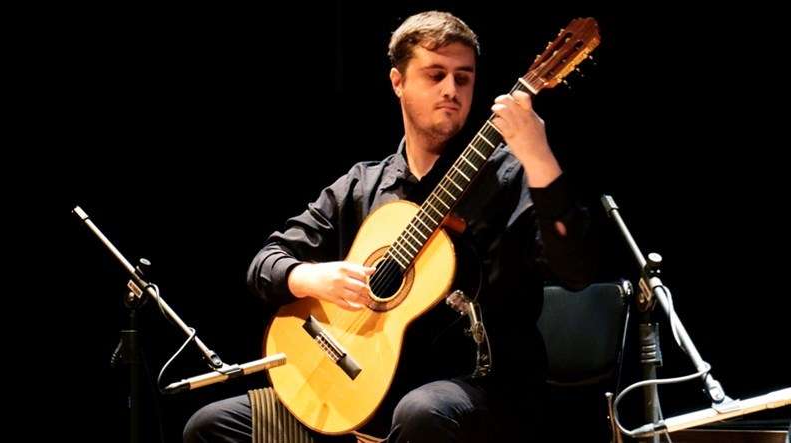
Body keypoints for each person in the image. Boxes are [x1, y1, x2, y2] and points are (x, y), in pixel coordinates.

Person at [184, 10, 597, 442]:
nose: (451, 90)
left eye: (463, 77)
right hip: (359, 386)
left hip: (478, 390)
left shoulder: (510, 176)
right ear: (398, 82)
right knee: (212, 426)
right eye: (435, 75)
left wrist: (539, 156)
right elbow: (265, 264)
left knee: (421, 413)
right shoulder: (363, 185)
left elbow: (577, 270)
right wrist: (311, 276)